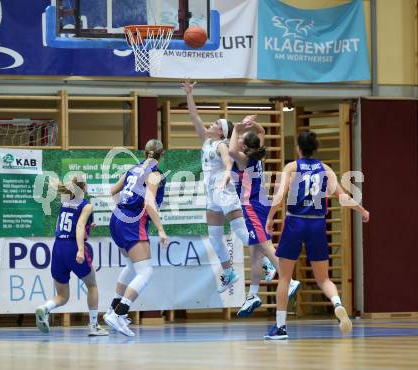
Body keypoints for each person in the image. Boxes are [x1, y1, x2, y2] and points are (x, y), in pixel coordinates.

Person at [264, 131, 370, 340]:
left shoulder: (292, 167)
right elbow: (343, 197)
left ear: (298, 148)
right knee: (323, 278)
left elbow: (278, 196)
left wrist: (269, 218)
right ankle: (338, 305)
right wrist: (362, 210)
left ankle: (281, 328)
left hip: (295, 222)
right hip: (317, 224)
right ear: (315, 148)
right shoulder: (326, 169)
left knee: (285, 277)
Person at [181, 80, 274, 293]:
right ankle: (229, 272)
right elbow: (194, 116)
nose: (210, 124)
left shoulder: (222, 145)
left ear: (221, 132)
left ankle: (268, 261)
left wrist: (225, 176)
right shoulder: (206, 140)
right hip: (212, 195)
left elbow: (228, 163)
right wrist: (189, 94)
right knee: (214, 236)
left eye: (215, 123)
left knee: (244, 234)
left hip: (226, 192)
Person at [228, 117, 301, 317]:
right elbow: (262, 133)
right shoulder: (256, 154)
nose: (238, 140)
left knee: (265, 247)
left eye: (242, 139)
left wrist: (236, 128)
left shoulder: (243, 159)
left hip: (252, 206)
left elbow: (232, 150)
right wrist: (253, 126)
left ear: (244, 145)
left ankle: (290, 280)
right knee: (255, 253)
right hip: (259, 203)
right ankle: (253, 294)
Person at [104, 139, 168, 337]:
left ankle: (112, 310)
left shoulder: (133, 169)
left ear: (145, 153)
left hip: (117, 218)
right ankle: (119, 313)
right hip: (132, 222)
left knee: (133, 267)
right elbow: (149, 203)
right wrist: (160, 229)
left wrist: (124, 208)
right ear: (161, 155)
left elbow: (113, 190)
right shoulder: (155, 174)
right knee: (145, 272)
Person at [35, 175, 108, 336]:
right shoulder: (86, 205)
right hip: (73, 246)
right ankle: (94, 325)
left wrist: (88, 224)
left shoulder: (65, 201)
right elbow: (79, 226)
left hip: (58, 247)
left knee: (62, 296)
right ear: (85, 188)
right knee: (92, 285)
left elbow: (66, 223)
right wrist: (81, 250)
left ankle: (45, 308)